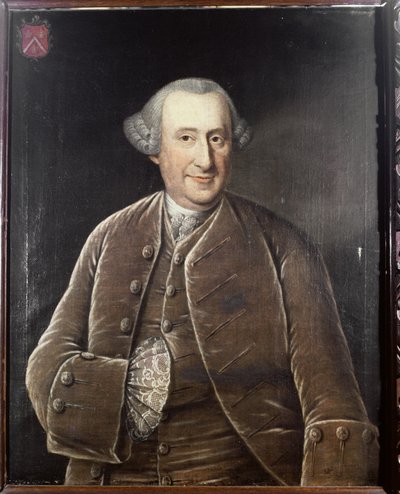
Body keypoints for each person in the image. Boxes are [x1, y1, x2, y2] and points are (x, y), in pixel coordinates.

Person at [26, 78, 379, 487]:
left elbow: (334, 403)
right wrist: (120, 388)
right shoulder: (109, 236)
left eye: (216, 139)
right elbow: (46, 361)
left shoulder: (284, 245)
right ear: (155, 150)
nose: (205, 160)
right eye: (186, 138)